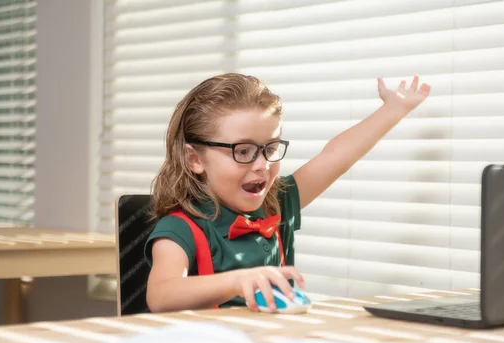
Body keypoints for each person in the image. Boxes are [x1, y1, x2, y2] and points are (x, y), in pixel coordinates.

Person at [144, 72, 430, 313]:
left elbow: (336, 156)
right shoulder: (179, 228)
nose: (262, 165)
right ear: (195, 159)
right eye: (243, 151)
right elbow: (161, 295)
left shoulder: (278, 203)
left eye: (270, 148)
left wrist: (394, 109)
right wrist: (238, 281)